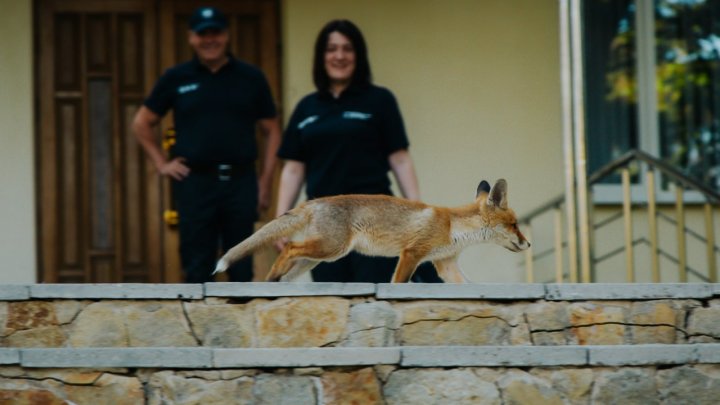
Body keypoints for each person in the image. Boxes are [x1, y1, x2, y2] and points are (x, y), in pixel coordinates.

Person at [275, 19, 442, 283]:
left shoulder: (380, 101)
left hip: (376, 221)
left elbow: (400, 160)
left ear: (358, 55)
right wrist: (281, 223)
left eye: (347, 49)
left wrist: (419, 214)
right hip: (325, 222)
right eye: (331, 49)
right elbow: (294, 169)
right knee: (334, 302)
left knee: (374, 303)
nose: (339, 56)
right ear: (321, 57)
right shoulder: (306, 108)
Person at [132, 6, 281, 283]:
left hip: (241, 182)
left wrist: (265, 181)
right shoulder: (176, 78)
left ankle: (241, 326)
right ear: (191, 38)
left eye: (216, 32)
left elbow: (272, 130)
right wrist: (161, 164)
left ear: (226, 36)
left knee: (241, 267)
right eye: (203, 34)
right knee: (196, 266)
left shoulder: (251, 78)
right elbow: (141, 122)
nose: (210, 39)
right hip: (195, 184)